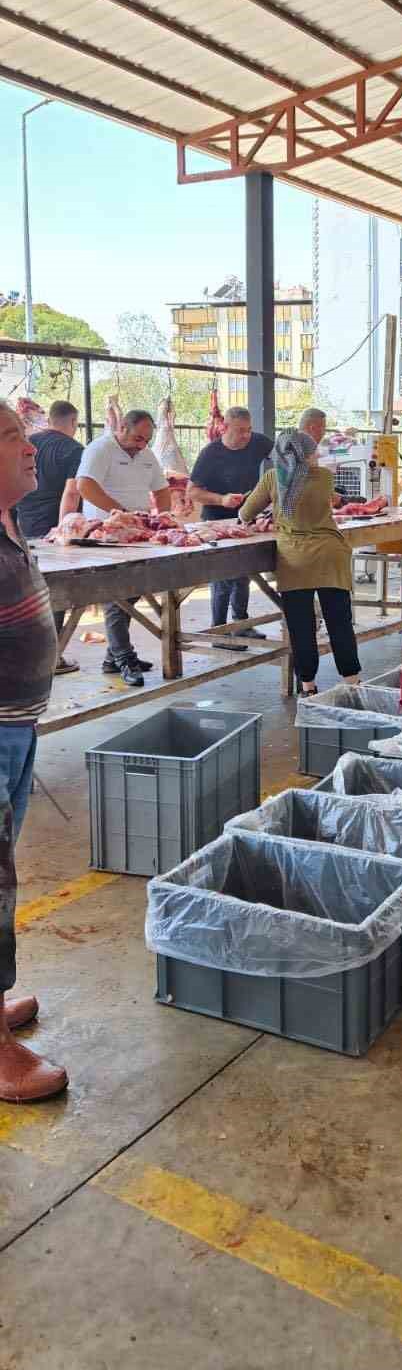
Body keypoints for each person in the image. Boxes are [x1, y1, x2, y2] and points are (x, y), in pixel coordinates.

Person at [0, 400, 68, 1103]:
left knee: (3, 874)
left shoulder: (9, 521)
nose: (33, 449)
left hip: (16, 727)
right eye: (15, 437)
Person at [239, 428, 361, 696]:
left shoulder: (273, 478)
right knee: (339, 622)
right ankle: (352, 682)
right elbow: (320, 498)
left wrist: (272, 513)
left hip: (295, 559)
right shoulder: (326, 477)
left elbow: (246, 513)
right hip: (331, 555)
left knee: (301, 627)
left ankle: (308, 686)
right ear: (308, 452)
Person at [76, 409, 171, 687]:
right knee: (117, 596)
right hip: (106, 533)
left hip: (138, 534)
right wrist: (119, 513)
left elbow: (162, 489)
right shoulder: (101, 448)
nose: (142, 445)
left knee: (131, 594)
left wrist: (162, 518)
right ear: (122, 428)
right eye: (138, 438)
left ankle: (112, 657)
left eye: (147, 440)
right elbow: (85, 485)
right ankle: (124, 657)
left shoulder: (146, 454)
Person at [189, 407, 273, 637]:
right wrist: (221, 499)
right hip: (215, 521)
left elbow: (281, 455)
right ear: (224, 428)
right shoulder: (210, 453)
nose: (246, 436)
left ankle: (241, 623)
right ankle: (219, 630)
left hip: (244, 518)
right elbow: (193, 491)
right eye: (240, 431)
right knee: (223, 576)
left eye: (248, 430)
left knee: (243, 573)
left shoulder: (259, 442)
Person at [17, 400, 84, 676]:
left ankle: (33, 654)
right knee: (57, 591)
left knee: (31, 590)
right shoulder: (74, 449)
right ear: (72, 423)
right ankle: (52, 657)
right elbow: (71, 494)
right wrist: (62, 531)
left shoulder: (29, 443)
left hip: (23, 523)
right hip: (54, 526)